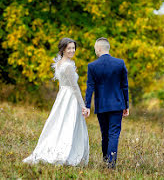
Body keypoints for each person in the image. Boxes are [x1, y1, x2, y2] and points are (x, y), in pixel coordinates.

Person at [23, 38, 89, 166]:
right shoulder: (68, 66)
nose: (72, 50)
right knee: (69, 124)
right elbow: (74, 87)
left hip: (63, 96)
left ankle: (58, 148)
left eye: (73, 48)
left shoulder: (60, 63)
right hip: (70, 97)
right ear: (63, 49)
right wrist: (83, 106)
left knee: (59, 123)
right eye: (69, 48)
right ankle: (66, 153)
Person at [83, 37, 129, 169]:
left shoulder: (92, 66)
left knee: (105, 134)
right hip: (117, 104)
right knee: (114, 133)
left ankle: (105, 159)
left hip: (101, 105)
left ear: (98, 49)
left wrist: (87, 106)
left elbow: (90, 86)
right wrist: (126, 105)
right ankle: (111, 164)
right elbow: (124, 86)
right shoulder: (120, 63)